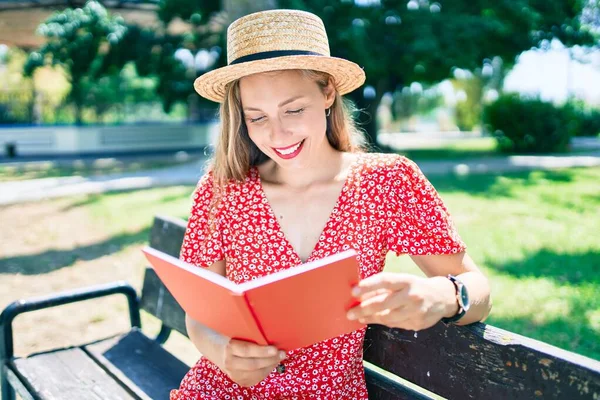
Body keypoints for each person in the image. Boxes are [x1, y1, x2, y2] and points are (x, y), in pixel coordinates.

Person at [171, 9, 492, 400]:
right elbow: (199, 314)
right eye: (257, 117)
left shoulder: (387, 181)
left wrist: (442, 296)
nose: (278, 133)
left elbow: (478, 291)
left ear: (327, 92)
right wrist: (222, 352)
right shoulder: (222, 190)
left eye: (293, 110)